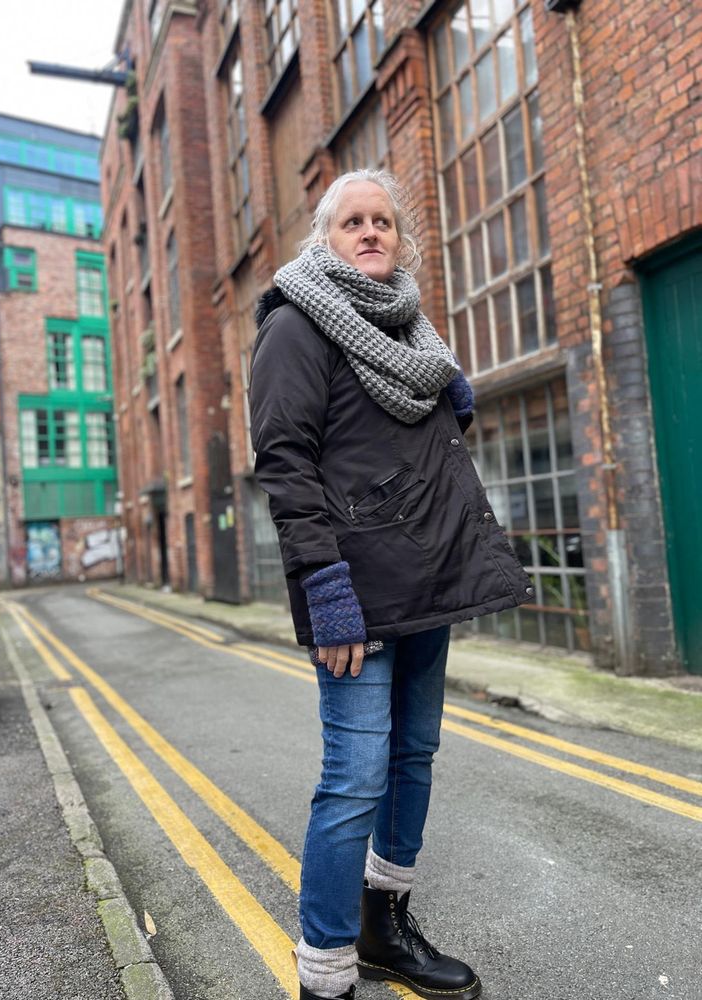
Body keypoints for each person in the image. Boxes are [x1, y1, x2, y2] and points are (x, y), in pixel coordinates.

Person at [249, 168, 533, 1000]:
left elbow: (415, 445)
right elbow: (286, 466)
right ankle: (326, 971)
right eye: (351, 223)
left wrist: (449, 402)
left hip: (425, 585)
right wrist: (325, 591)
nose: (370, 233)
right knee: (353, 779)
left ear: (401, 239)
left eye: (383, 222)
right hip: (355, 596)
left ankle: (385, 924)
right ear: (325, 239)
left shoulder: (414, 331)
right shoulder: (296, 326)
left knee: (413, 759)